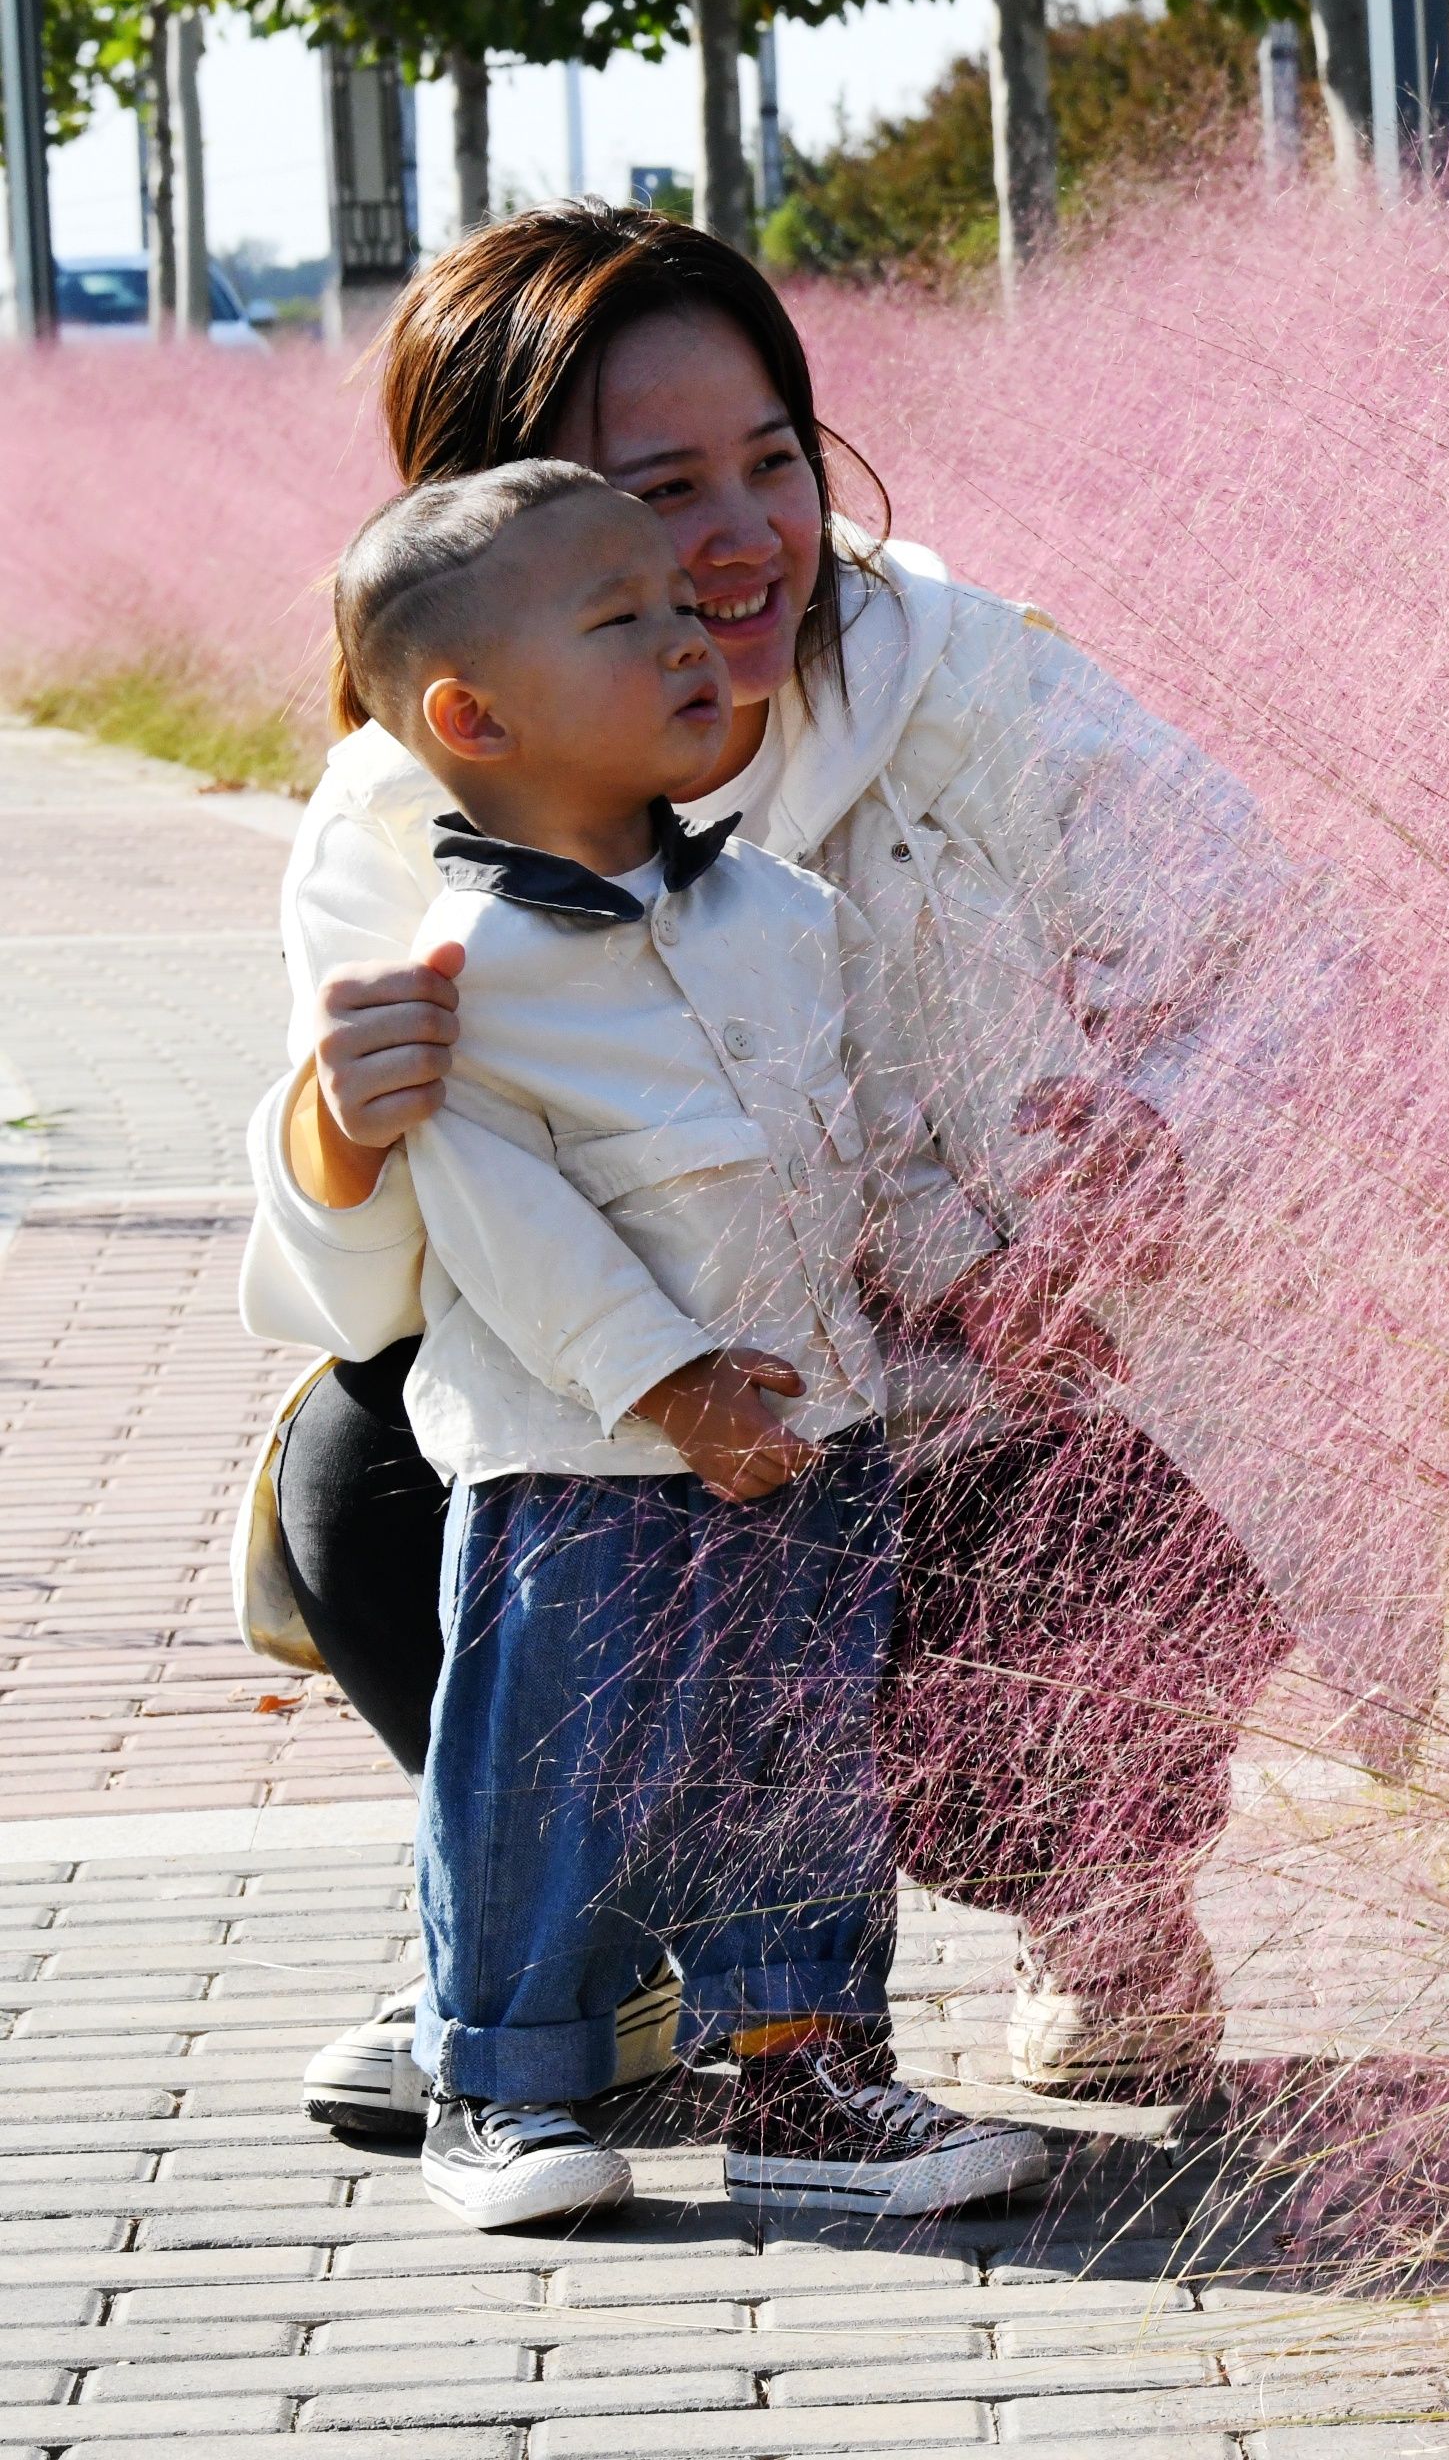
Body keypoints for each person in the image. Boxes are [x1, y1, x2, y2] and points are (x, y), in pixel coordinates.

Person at [243, 204, 1298, 2137]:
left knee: (1089, 1556)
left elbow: (1285, 955)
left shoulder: (955, 679)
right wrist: (335, 1130)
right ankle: (578, 1955)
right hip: (649, 1425)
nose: (741, 541)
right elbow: (371, 1291)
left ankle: (1106, 1899)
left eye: (775, 460)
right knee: (359, 1473)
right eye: (658, 494)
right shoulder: (405, 810)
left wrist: (1153, 1155)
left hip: (983, 1410)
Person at [316, 460, 1057, 2229]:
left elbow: (876, 1139)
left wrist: (972, 1275)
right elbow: (504, 1221)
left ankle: (809, 2078)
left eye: (682, 605)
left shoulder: (786, 919)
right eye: (622, 618)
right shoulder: (463, 973)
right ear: (474, 719)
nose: (689, 638)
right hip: (582, 1473)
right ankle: (505, 2084)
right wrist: (667, 1383)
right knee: (551, 1776)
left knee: (800, 1770)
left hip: (813, 1451)